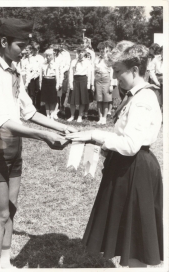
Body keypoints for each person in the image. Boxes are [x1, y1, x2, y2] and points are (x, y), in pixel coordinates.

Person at [0, 18, 76, 269]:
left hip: (15, 148)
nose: (25, 52)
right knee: (0, 213)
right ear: (3, 42)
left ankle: (5, 262)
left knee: (11, 210)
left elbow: (29, 112)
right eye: (21, 45)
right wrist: (44, 137)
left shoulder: (14, 72)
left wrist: (61, 127)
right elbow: (3, 123)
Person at [66, 43, 163, 267]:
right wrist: (92, 137)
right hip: (125, 166)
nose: (115, 77)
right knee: (126, 234)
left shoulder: (143, 99)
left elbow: (130, 145)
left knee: (136, 239)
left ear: (135, 70)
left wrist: (94, 134)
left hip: (136, 169)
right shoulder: (134, 95)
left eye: (119, 71)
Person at [68, 45, 91, 123]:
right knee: (72, 100)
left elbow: (89, 73)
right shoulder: (74, 61)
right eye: (79, 52)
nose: (80, 54)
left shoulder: (88, 62)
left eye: (82, 52)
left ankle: (80, 116)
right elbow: (71, 73)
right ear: (77, 53)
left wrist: (88, 84)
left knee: (82, 100)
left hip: (83, 80)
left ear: (84, 53)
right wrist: (71, 83)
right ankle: (72, 115)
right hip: (75, 80)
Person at [94, 40, 115, 125]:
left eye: (103, 49)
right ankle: (100, 117)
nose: (102, 51)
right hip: (98, 79)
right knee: (99, 100)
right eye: (100, 49)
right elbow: (94, 70)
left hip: (107, 79)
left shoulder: (109, 59)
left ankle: (104, 118)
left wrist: (111, 84)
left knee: (106, 100)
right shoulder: (97, 59)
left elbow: (112, 72)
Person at [40, 48, 61, 119]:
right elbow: (41, 75)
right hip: (45, 81)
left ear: (53, 56)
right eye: (47, 56)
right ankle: (47, 115)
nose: (48, 57)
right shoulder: (43, 64)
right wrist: (40, 84)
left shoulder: (55, 64)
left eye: (50, 56)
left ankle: (52, 115)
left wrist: (57, 84)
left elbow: (57, 75)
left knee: (52, 100)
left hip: (52, 81)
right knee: (46, 100)